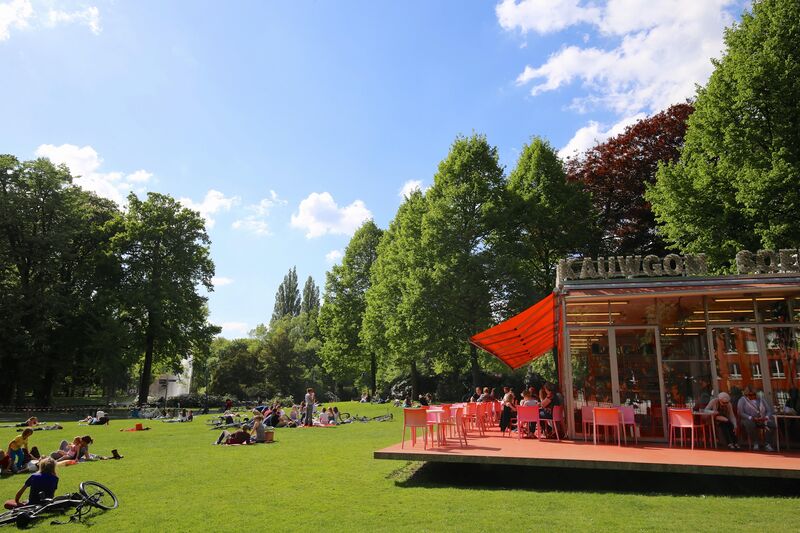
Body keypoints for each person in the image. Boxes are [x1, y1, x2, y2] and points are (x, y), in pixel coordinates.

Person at [737, 386, 775, 451]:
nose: (752, 396)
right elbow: (741, 412)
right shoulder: (742, 400)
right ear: (746, 394)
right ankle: (755, 443)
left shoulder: (761, 399)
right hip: (748, 419)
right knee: (750, 425)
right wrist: (751, 418)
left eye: (753, 394)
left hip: (761, 419)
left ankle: (767, 444)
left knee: (772, 425)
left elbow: (769, 410)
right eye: (749, 395)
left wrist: (766, 417)